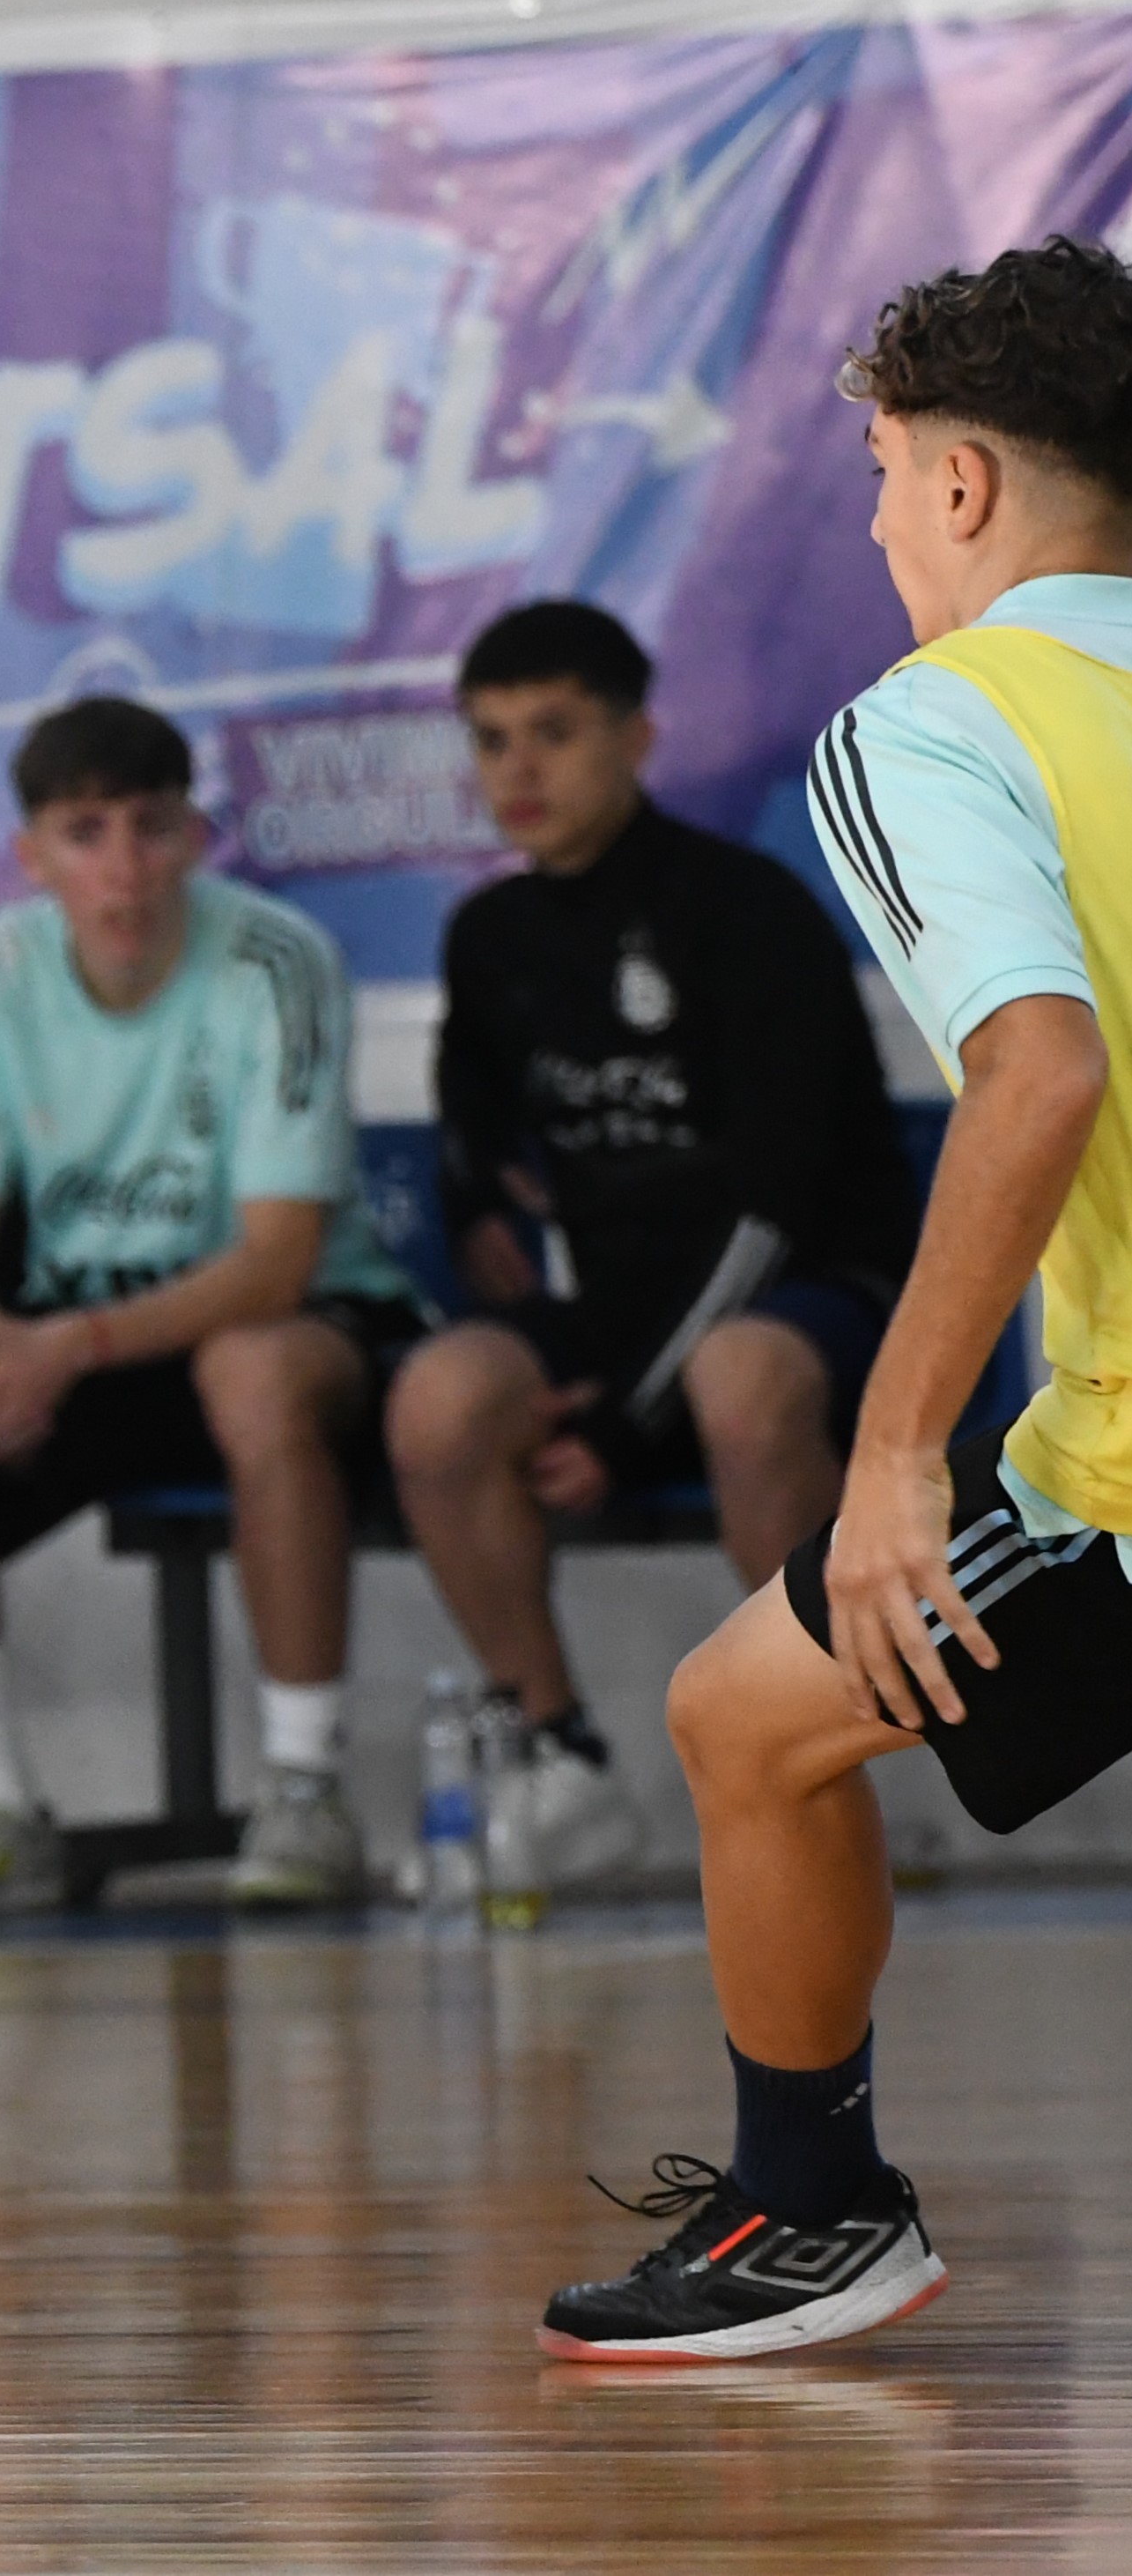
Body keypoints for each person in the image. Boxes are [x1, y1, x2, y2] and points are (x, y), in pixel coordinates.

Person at [542, 236, 1132, 2362]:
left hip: (1125, 1463)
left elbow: (1035, 1068)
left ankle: (814, 2210)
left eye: (880, 471)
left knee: (741, 1719)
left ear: (962, 488)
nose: (876, 518)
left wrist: (891, 1452)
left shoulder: (933, 723)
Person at [0, 695, 431, 1917]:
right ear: (29, 855)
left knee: (250, 1373)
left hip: (301, 1327)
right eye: (84, 832)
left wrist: (55, 1348)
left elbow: (275, 1261)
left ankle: (305, 1788)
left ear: (196, 838)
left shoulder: (276, 959)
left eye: (149, 829)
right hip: (79, 1343)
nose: (120, 869)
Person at [386, 601, 914, 1889]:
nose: (519, 770)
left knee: (737, 1381)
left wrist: (625, 1420)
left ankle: (846, 1771)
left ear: (637, 735)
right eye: (492, 739)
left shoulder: (744, 911)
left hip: (801, 1296)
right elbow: (473, 1140)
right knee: (437, 1400)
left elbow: (774, 1208)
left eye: (554, 734)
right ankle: (559, 1760)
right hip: (619, 1315)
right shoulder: (488, 935)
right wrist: (476, 1215)